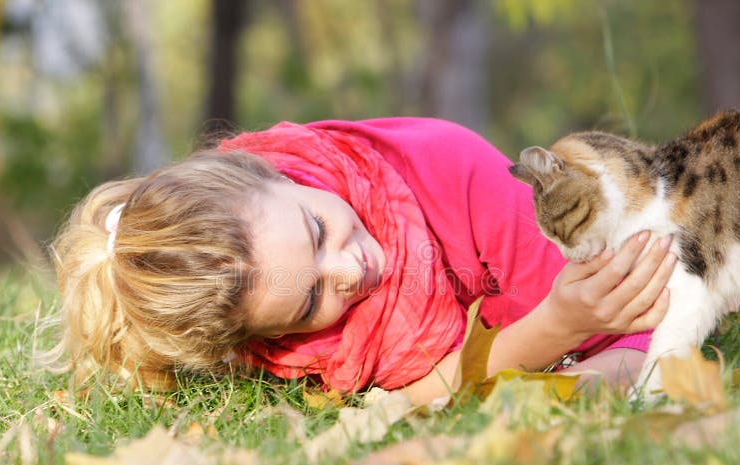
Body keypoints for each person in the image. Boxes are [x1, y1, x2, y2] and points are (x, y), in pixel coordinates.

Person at [48, 118, 676, 405]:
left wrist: (565, 325)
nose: (348, 271)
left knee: (630, 368)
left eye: (317, 229)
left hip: (577, 290)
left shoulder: (453, 172)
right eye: (310, 299)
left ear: (274, 172)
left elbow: (632, 315)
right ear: (268, 338)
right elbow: (417, 397)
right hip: (549, 329)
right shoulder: (250, 318)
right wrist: (549, 336)